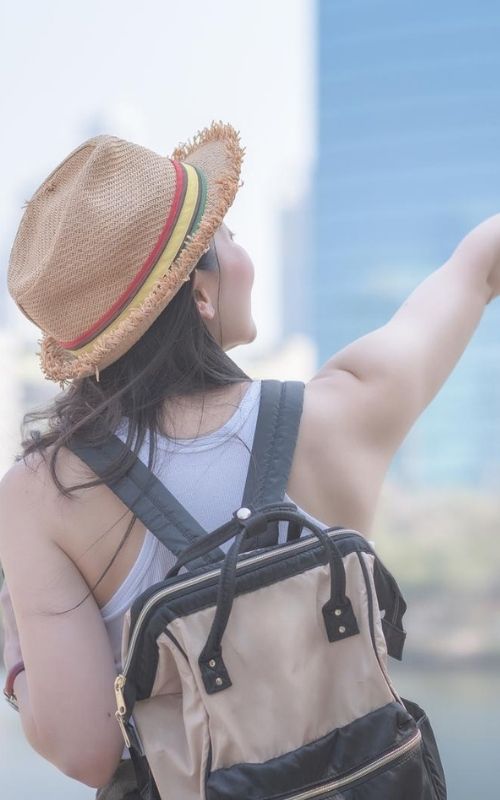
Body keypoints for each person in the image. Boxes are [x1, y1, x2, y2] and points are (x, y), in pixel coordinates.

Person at [1, 120, 500, 796]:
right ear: (199, 294)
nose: (243, 252)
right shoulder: (339, 414)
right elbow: (480, 265)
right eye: (227, 238)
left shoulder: (41, 493)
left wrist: (14, 661)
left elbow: (87, 748)